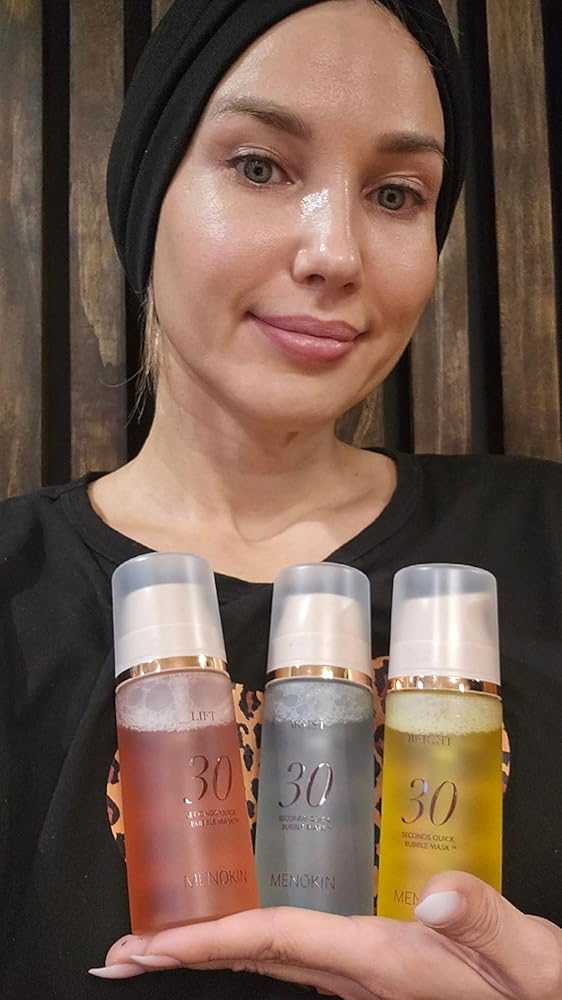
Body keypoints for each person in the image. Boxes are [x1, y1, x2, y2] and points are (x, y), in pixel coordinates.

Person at [1, 0, 560, 997]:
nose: (335, 253)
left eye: (395, 193)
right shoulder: (17, 590)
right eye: (260, 167)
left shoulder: (546, 539)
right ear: (147, 195)